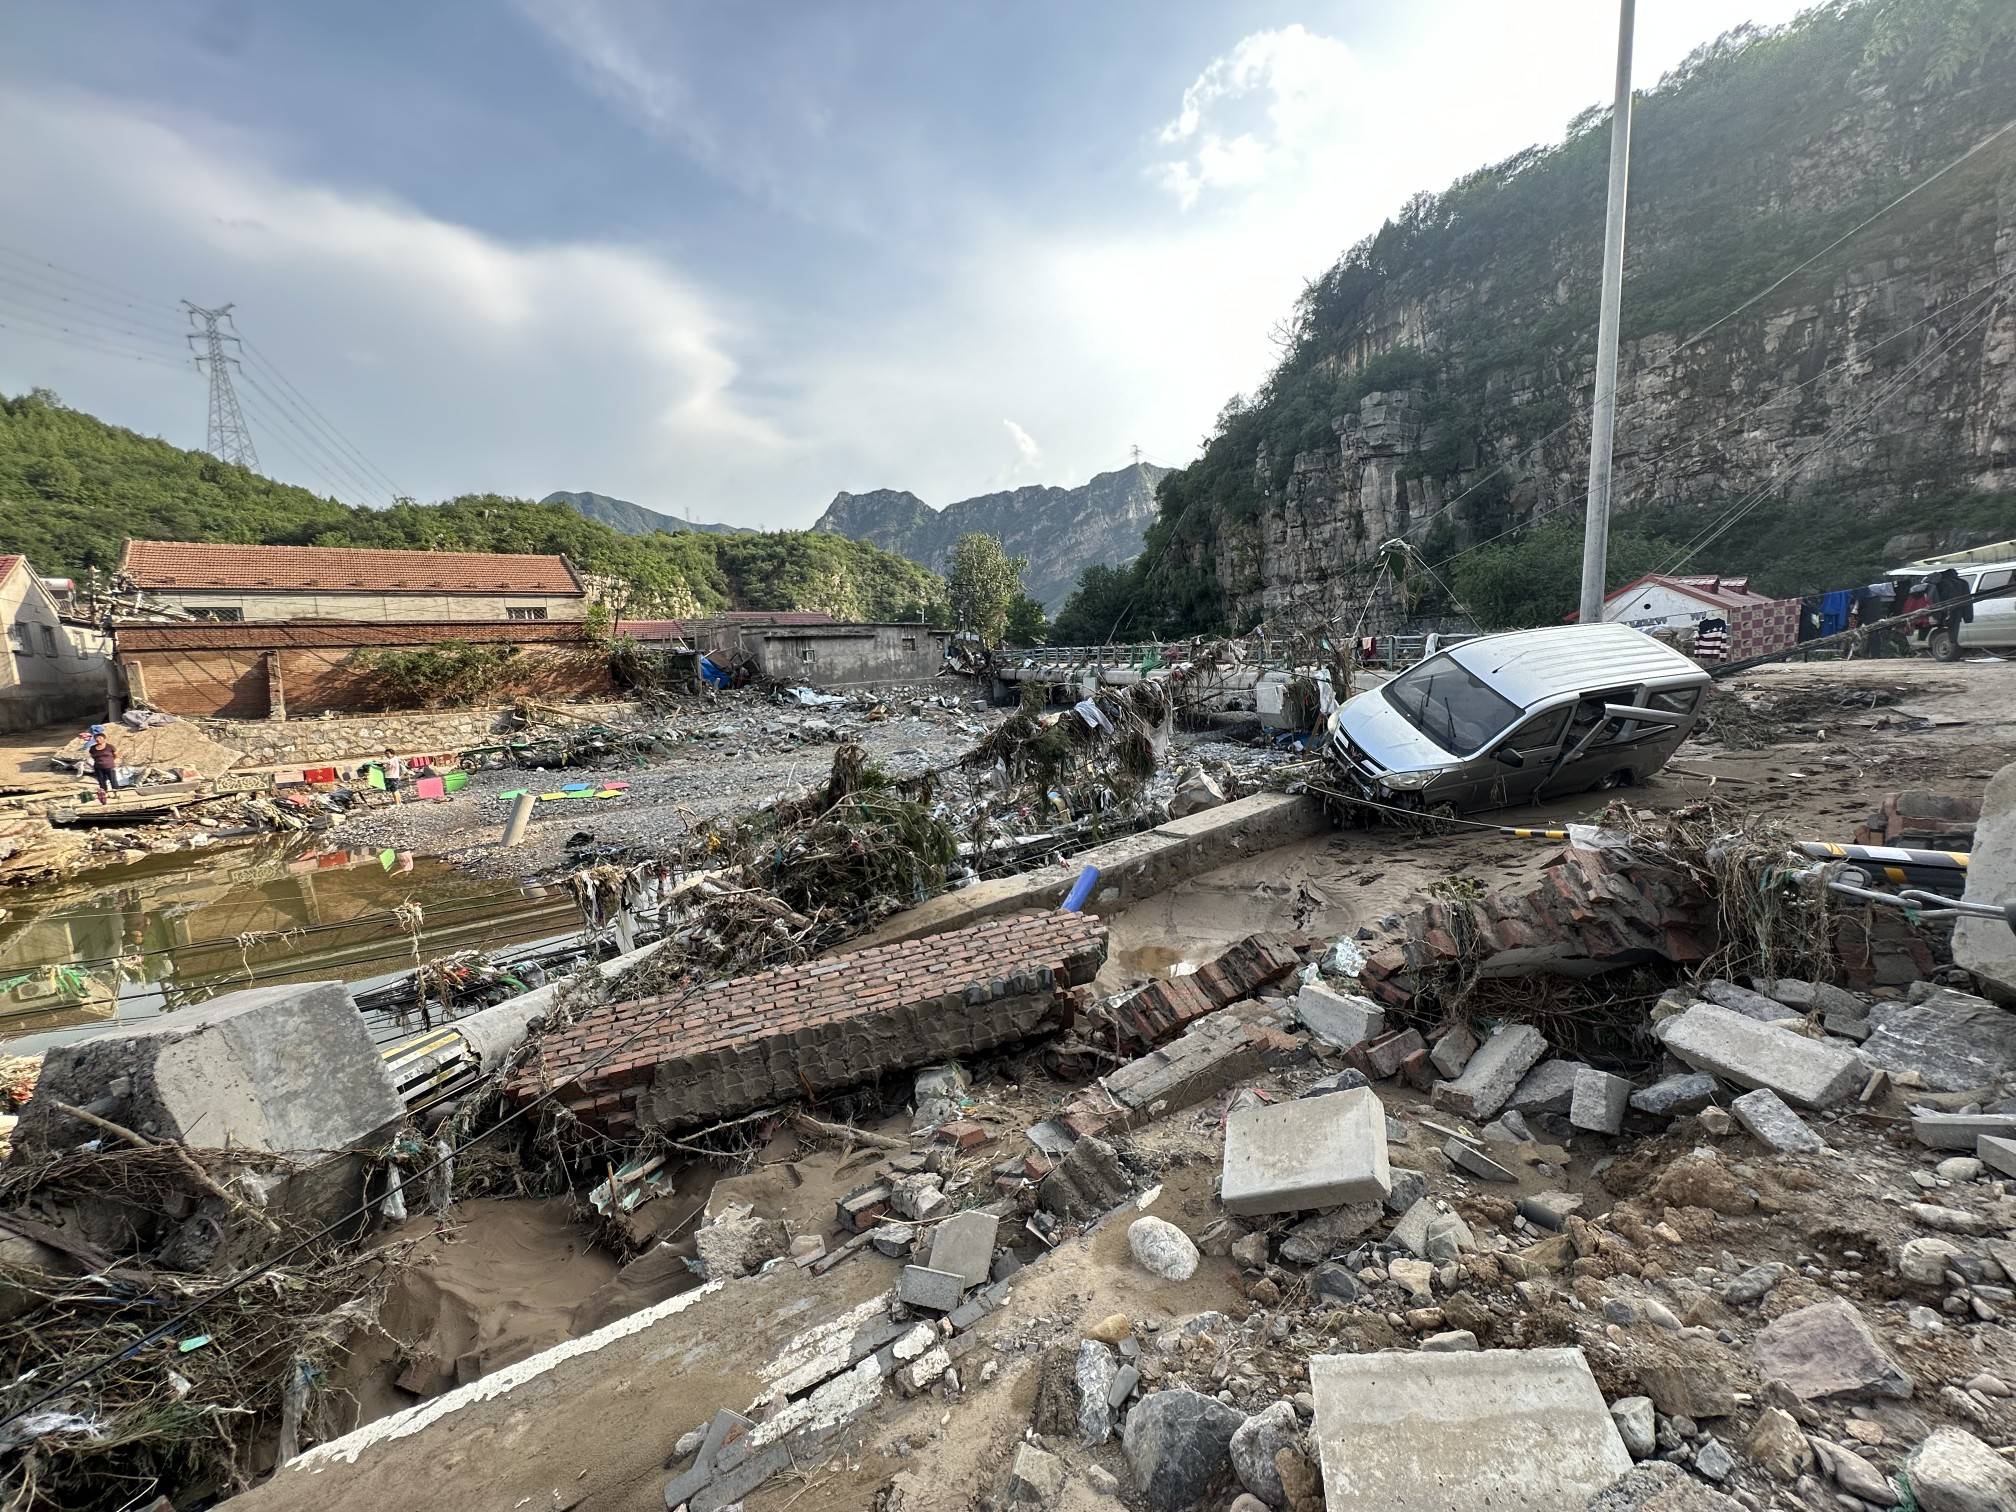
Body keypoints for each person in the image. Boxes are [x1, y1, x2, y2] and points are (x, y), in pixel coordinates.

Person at [1933, 568, 1974, 643]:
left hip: (1935, 612)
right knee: (1953, 634)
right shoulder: (1962, 583)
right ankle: (1952, 644)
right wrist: (1968, 617)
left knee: (1936, 631)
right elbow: (1967, 602)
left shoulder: (1936, 583)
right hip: (1956, 613)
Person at [86, 729, 118, 805]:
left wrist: (110, 760)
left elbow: (116, 755)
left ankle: (116, 793)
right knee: (101, 782)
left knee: (113, 780)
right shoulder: (93, 748)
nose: (98, 739)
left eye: (100, 738)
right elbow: (92, 756)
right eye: (96, 738)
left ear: (104, 739)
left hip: (109, 766)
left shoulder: (110, 746)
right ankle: (105, 794)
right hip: (98, 767)